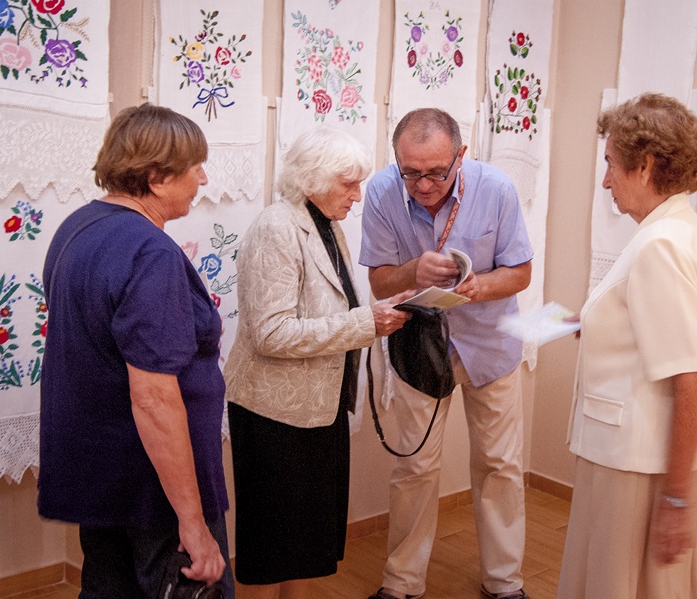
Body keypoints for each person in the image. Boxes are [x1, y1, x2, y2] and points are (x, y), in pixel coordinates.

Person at [38, 103, 234, 597]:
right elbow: (153, 397)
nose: (203, 178)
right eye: (195, 166)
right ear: (156, 177)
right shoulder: (150, 252)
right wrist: (192, 522)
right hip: (154, 489)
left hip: (102, 475)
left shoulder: (77, 227)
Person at [222, 127, 413, 599]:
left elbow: (332, 308)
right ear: (312, 179)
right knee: (272, 548)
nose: (357, 196)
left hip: (317, 408)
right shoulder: (276, 228)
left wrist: (380, 312)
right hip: (274, 414)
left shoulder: (325, 224)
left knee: (305, 543)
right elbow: (271, 333)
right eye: (349, 184)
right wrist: (366, 323)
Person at [360, 108, 534, 599]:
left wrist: (481, 287)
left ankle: (504, 583)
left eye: (437, 172)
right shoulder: (381, 191)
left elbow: (520, 273)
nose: (424, 185)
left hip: (490, 344)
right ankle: (402, 584)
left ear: (461, 155)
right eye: (411, 173)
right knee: (414, 467)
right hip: (419, 347)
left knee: (499, 464)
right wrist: (413, 270)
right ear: (397, 161)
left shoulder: (496, 189)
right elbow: (380, 281)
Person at [555, 93, 697, 599]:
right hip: (636, 455)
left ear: (644, 167)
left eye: (610, 163)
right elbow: (655, 329)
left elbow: (693, 379)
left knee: (619, 585)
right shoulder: (681, 228)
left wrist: (676, 500)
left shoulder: (659, 245)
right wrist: (594, 323)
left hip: (636, 462)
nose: (605, 181)